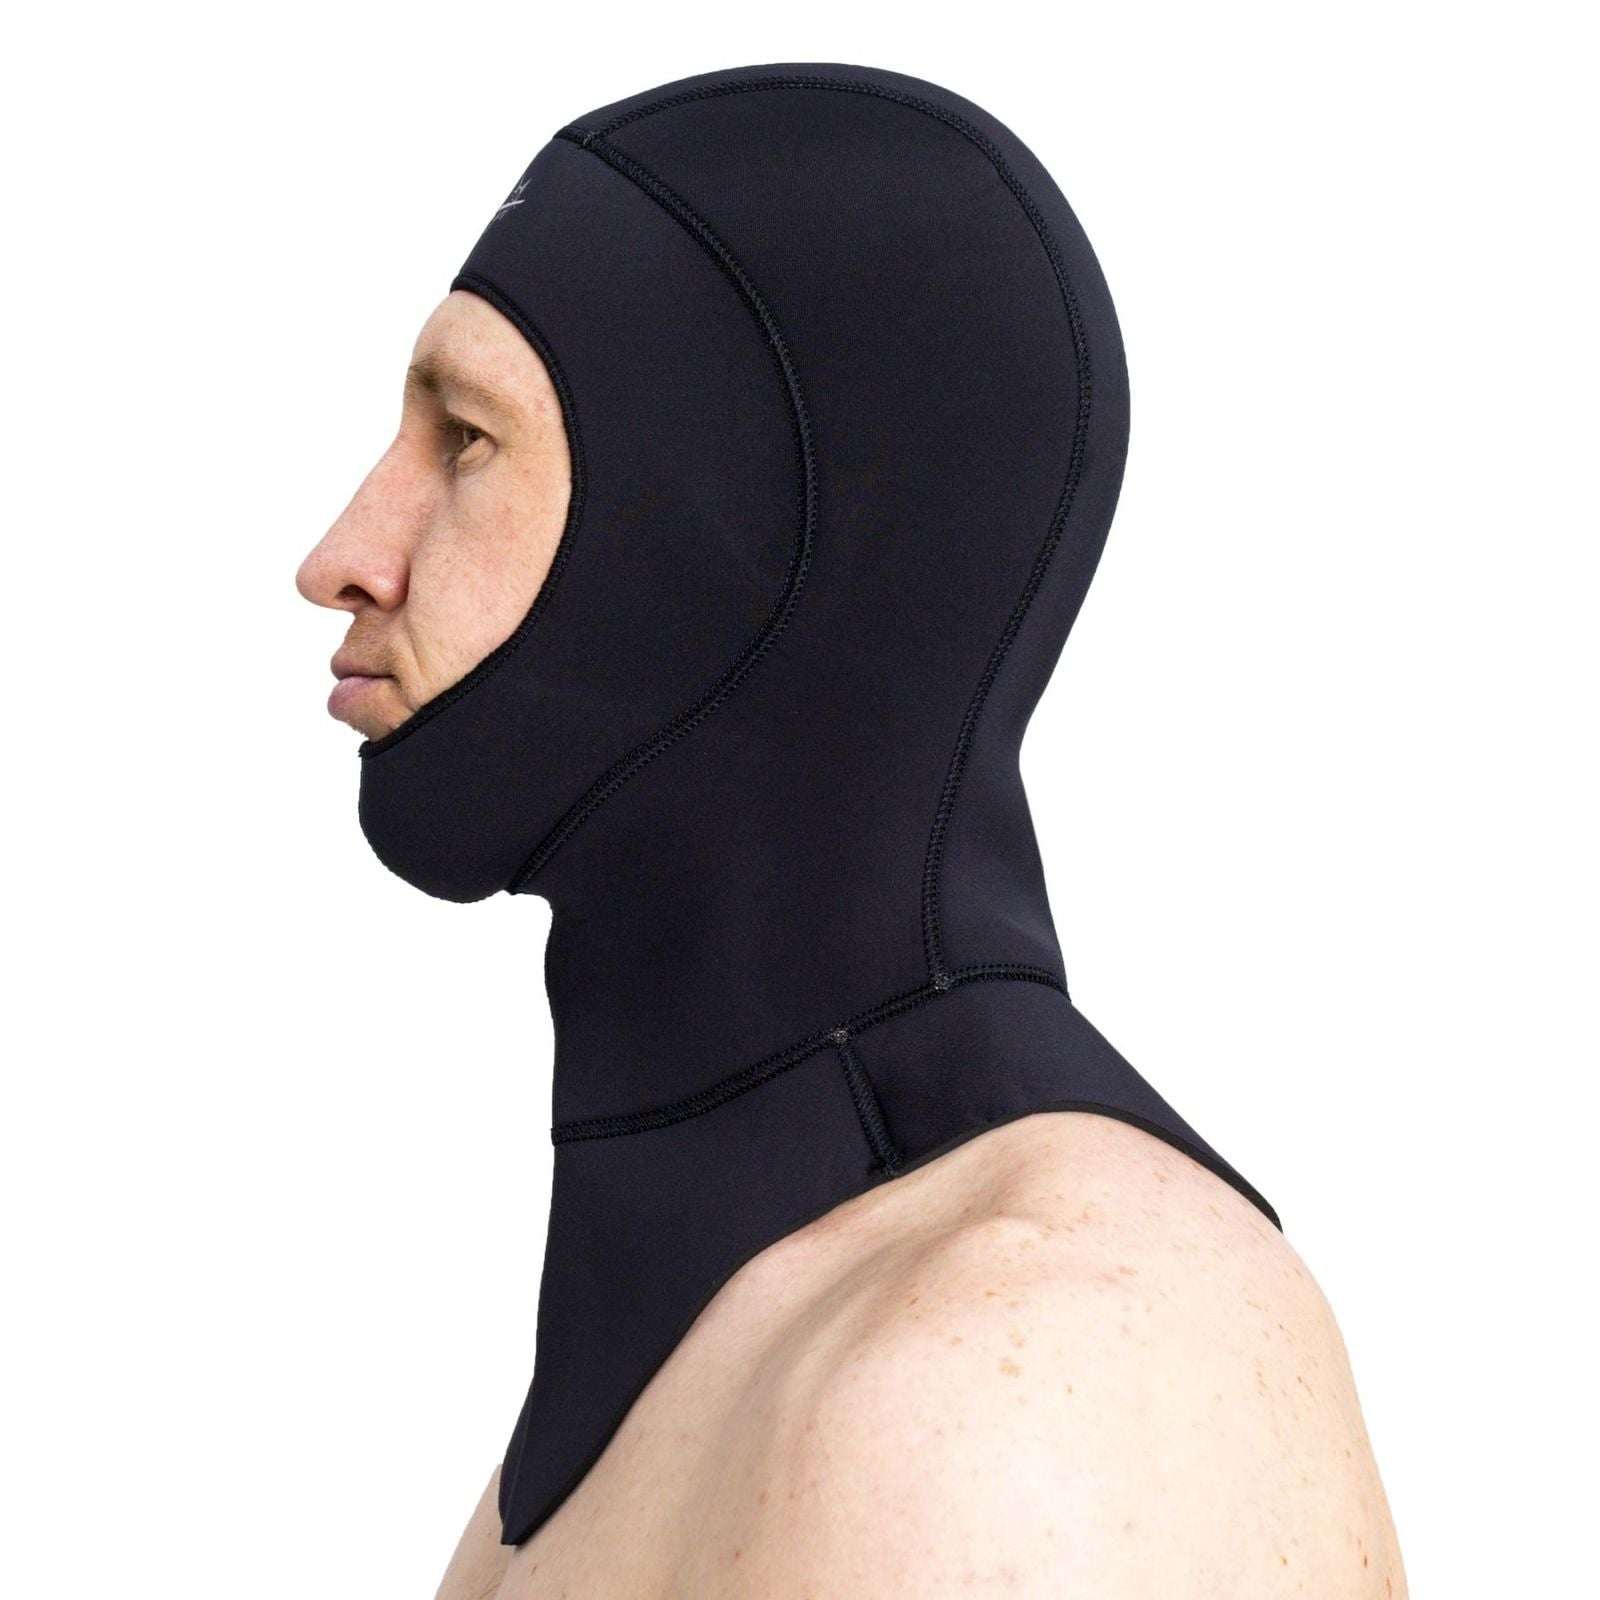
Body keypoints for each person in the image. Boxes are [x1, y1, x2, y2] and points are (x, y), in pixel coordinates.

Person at [297, 62, 1407, 1597]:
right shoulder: (624, 1423)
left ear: (727, 529)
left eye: (467, 438)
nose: (340, 556)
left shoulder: (1042, 1374)